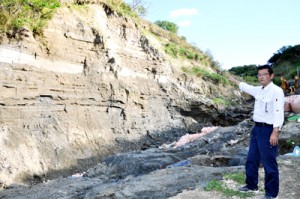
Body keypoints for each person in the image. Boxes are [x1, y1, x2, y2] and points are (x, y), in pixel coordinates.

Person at [229, 65, 285, 199]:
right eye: (259, 75)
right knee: (251, 159)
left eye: (264, 74)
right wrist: (232, 79)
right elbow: (245, 86)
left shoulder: (276, 91)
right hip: (256, 129)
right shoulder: (258, 90)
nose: (261, 77)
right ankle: (251, 186)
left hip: (268, 130)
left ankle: (271, 194)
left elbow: (279, 112)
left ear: (271, 76)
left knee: (269, 163)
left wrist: (275, 132)